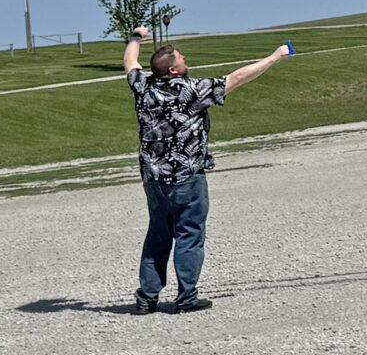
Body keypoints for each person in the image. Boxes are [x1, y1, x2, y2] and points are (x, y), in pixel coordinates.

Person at [124, 25, 292, 314]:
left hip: (153, 178)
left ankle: (146, 298)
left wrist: (136, 37)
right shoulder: (192, 90)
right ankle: (187, 297)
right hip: (187, 176)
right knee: (189, 233)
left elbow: (130, 61)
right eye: (180, 58)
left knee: (158, 235)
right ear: (174, 71)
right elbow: (238, 78)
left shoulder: (143, 87)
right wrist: (274, 57)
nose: (184, 58)